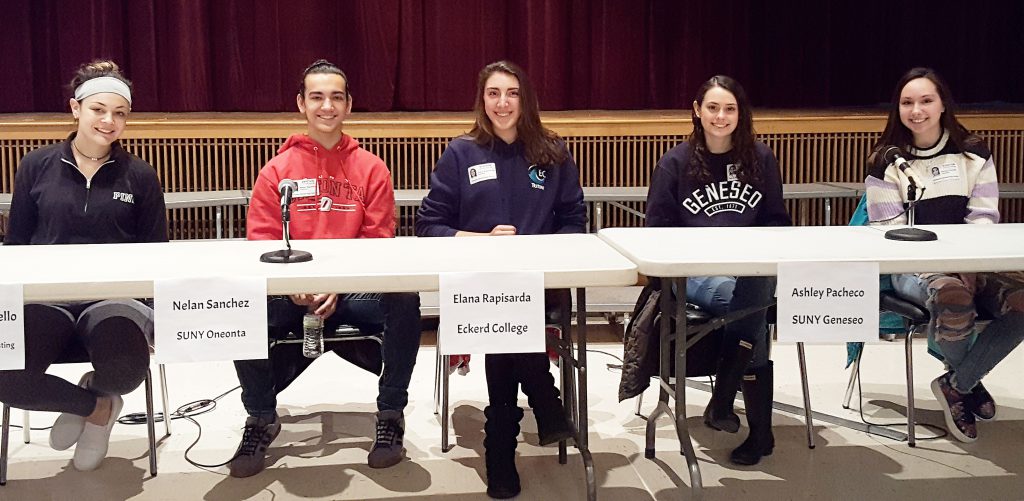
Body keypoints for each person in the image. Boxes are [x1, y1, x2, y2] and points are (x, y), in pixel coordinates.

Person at [229, 59, 422, 477]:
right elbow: (261, 244)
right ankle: (261, 416)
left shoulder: (371, 168)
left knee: (406, 298)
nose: (327, 106)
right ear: (301, 104)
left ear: (349, 105)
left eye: (336, 97)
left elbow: (378, 245)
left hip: (352, 291)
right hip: (288, 290)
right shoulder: (276, 171)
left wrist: (336, 283)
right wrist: (296, 285)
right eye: (316, 97)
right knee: (239, 307)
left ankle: (390, 414)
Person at [415, 60, 584, 499]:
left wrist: (538, 253)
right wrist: (479, 239)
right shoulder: (461, 152)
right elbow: (429, 224)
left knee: (509, 320)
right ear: (482, 100)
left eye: (512, 93)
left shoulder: (552, 151)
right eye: (494, 93)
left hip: (538, 283)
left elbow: (573, 221)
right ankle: (544, 405)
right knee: (504, 315)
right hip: (477, 285)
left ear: (525, 99)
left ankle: (502, 450)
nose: (503, 102)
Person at [0, 60, 167, 471]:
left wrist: (158, 312)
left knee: (127, 372)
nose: (109, 121)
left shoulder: (140, 176)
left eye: (120, 113)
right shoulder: (35, 166)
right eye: (98, 109)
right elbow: (16, 244)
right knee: (7, 378)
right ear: (76, 109)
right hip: (45, 298)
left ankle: (101, 390)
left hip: (114, 300)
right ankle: (95, 410)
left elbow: (157, 252)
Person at [865, 67, 1024, 443]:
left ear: (942, 105)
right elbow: (890, 234)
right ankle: (968, 380)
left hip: (973, 258)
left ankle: (958, 383)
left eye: (925, 100)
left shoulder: (973, 152)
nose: (916, 110)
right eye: (907, 102)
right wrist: (947, 266)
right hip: (913, 268)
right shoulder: (885, 161)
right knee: (954, 297)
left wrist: (967, 262)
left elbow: (984, 216)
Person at [645, 75, 791, 466]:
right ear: (697, 110)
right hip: (693, 276)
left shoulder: (760, 158)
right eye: (712, 107)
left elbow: (778, 222)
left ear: (740, 113)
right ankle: (753, 424)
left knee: (753, 291)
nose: (721, 116)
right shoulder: (674, 163)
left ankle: (732, 406)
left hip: (750, 271)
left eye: (729, 108)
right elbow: (654, 233)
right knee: (749, 305)